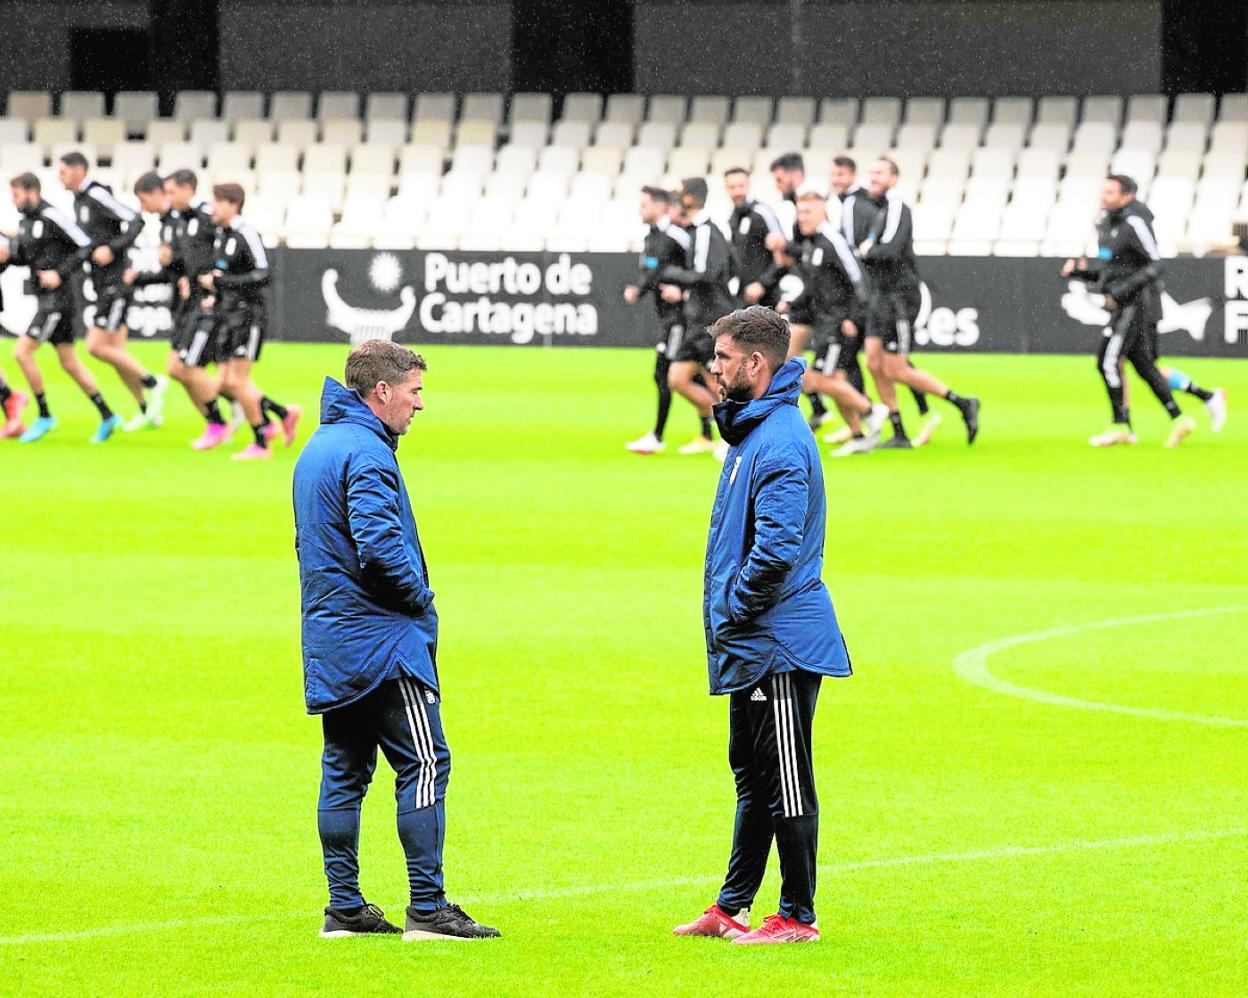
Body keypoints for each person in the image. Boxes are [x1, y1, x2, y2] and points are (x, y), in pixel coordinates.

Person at [293, 339, 499, 942]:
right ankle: (429, 909)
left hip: (332, 637)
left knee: (344, 768)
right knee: (426, 762)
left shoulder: (318, 447)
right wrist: (420, 600)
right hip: (382, 641)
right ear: (381, 391)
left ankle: (344, 908)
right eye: (414, 392)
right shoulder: (368, 453)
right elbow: (379, 548)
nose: (420, 405)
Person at [674, 305, 851, 946]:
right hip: (755, 637)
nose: (712, 369)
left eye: (721, 358)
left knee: (786, 777)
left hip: (778, 640)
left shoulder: (776, 439)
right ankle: (732, 906)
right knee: (752, 772)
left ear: (754, 363)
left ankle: (798, 917)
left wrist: (736, 607)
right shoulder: (754, 432)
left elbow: (774, 551)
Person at [1062, 175, 1193, 448]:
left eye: (1110, 192)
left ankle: (1120, 426)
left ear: (1127, 196)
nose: (1103, 196)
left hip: (1134, 305)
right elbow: (1111, 270)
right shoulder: (1107, 225)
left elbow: (1156, 264)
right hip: (1122, 304)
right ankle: (1179, 419)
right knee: (1143, 365)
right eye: (1104, 190)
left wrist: (1123, 291)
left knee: (1107, 361)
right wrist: (1080, 273)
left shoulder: (1135, 223)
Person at [860, 157, 980, 448]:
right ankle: (898, 430)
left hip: (899, 297)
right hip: (881, 295)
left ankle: (962, 402)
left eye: (880, 172)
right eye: (871, 172)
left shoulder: (898, 207)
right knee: (874, 361)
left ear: (894, 178)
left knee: (896, 368)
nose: (873, 177)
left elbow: (888, 251)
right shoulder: (881, 210)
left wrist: (867, 250)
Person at [2, 172, 120, 443]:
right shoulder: (27, 222)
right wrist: (8, 257)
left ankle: (44, 415)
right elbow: (29, 257)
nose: (13, 200)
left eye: (17, 194)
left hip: (59, 301)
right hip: (47, 300)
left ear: (32, 191)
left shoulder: (52, 216)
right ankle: (107, 414)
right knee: (70, 363)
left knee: (22, 352)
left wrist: (60, 273)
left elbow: (85, 245)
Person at [58, 151, 168, 429]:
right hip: (102, 283)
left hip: (116, 284)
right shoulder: (79, 201)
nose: (60, 177)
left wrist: (113, 248)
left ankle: (153, 382)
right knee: (117, 351)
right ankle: (145, 409)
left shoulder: (96, 195)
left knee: (96, 346)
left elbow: (135, 220)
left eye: (63, 172)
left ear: (79, 170)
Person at [781, 190, 887, 456]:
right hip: (826, 322)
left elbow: (859, 279)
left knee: (818, 379)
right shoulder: (813, 243)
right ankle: (859, 435)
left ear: (823, 212)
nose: (802, 217)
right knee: (837, 380)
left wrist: (853, 317)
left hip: (840, 324)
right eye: (800, 212)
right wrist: (792, 304)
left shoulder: (832, 240)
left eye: (808, 212)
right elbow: (817, 286)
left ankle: (872, 410)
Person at [199, 183, 300, 460]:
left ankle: (261, 442)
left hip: (250, 316)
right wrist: (216, 294)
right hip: (230, 315)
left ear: (232, 204)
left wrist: (222, 282)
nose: (213, 208)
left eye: (217, 202)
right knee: (229, 383)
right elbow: (228, 277)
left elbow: (263, 274)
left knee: (237, 381)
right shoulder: (223, 234)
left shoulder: (246, 233)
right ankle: (282, 413)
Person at [658, 177, 739, 457]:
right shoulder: (696, 230)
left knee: (717, 381)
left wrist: (673, 276)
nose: (676, 199)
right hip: (697, 318)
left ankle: (733, 437)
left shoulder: (706, 231)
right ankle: (710, 434)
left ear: (690, 198)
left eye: (679, 194)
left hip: (710, 319)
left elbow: (706, 274)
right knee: (677, 378)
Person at [623, 186, 692, 454]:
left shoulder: (677, 236)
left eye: (644, 205)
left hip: (683, 318)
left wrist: (684, 294)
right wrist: (639, 290)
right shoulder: (653, 237)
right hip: (669, 316)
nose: (640, 210)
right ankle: (709, 433)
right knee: (689, 375)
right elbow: (653, 272)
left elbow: (705, 271)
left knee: (666, 373)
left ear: (660, 206)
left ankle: (658, 436)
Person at [762, 153, 829, 427]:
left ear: (794, 175)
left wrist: (785, 247)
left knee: (842, 370)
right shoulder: (794, 207)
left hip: (827, 298)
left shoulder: (815, 204)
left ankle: (866, 414)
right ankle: (819, 408)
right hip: (811, 293)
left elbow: (817, 251)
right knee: (788, 354)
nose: (778, 185)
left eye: (779, 179)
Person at [725, 166, 783, 309]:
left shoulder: (762, 213)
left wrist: (763, 283)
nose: (737, 191)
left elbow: (781, 253)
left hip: (768, 296)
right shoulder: (733, 217)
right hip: (745, 295)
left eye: (741, 186)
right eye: (732, 187)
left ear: (749, 185)